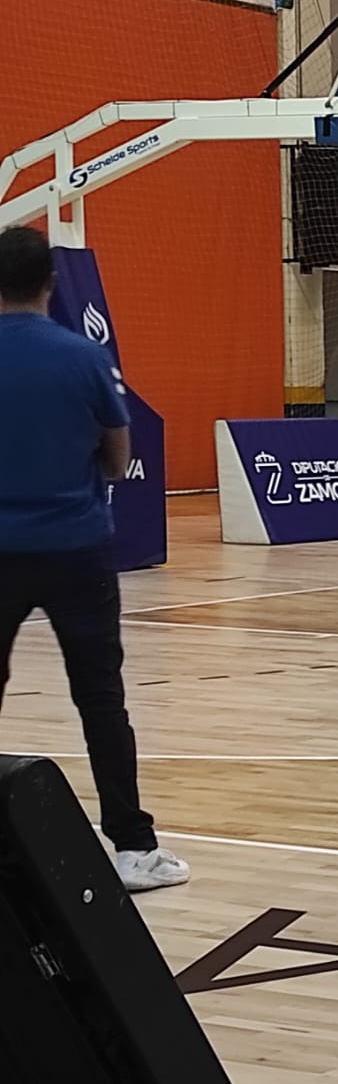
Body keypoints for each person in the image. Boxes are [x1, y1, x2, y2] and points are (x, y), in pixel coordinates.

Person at [0, 226, 188, 890]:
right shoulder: (82, 358)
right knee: (100, 699)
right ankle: (134, 849)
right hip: (75, 548)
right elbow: (119, 457)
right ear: (50, 282)